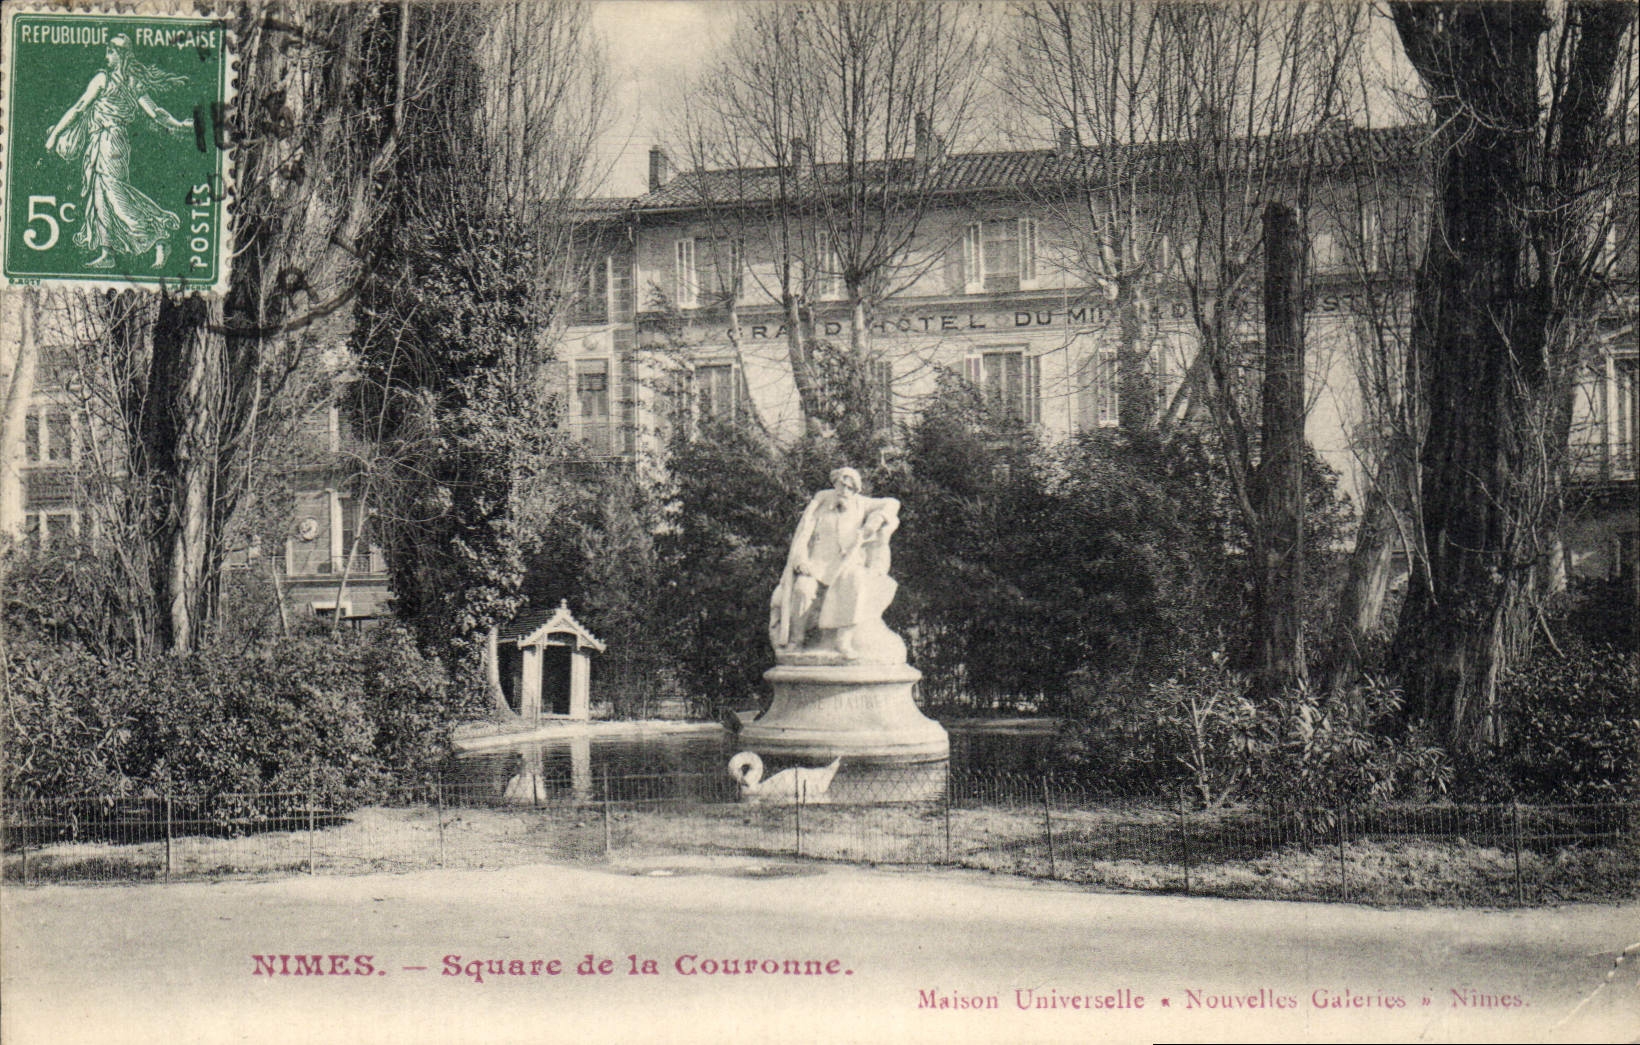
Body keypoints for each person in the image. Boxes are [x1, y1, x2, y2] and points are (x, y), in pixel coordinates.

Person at [44, 35, 192, 270]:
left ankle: (159, 236)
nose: (107, 56)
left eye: (111, 52)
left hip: (110, 141)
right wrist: (178, 124)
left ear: (120, 55)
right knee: (99, 196)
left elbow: (80, 107)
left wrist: (54, 135)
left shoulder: (105, 79)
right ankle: (107, 252)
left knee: (114, 194)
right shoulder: (132, 82)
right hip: (104, 141)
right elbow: (157, 114)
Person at [771, 467, 900, 657]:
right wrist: (800, 561)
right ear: (835, 484)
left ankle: (843, 640)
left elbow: (893, 502)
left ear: (855, 490)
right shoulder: (821, 503)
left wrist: (877, 519)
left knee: (855, 581)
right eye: (841, 484)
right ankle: (796, 641)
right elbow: (802, 536)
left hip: (847, 564)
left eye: (849, 487)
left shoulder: (861, 504)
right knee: (802, 589)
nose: (844, 490)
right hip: (816, 566)